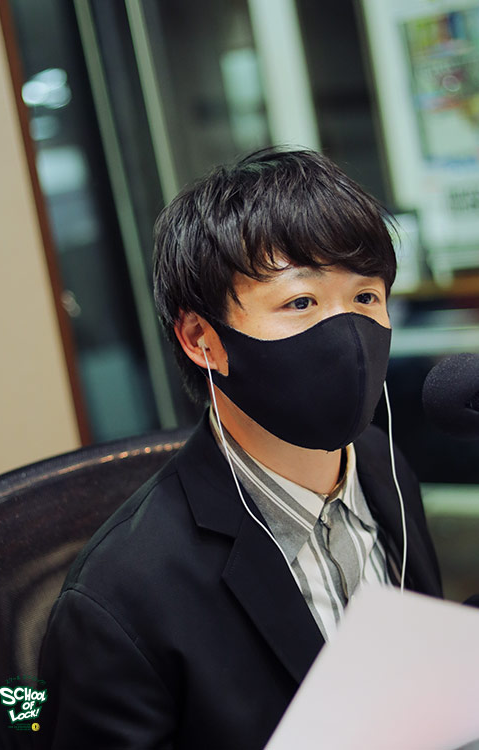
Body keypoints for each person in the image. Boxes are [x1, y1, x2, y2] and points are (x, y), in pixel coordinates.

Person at [37, 147, 442, 749]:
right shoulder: (121, 597)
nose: (349, 336)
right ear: (202, 338)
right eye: (300, 302)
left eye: (366, 298)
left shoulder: (383, 466)